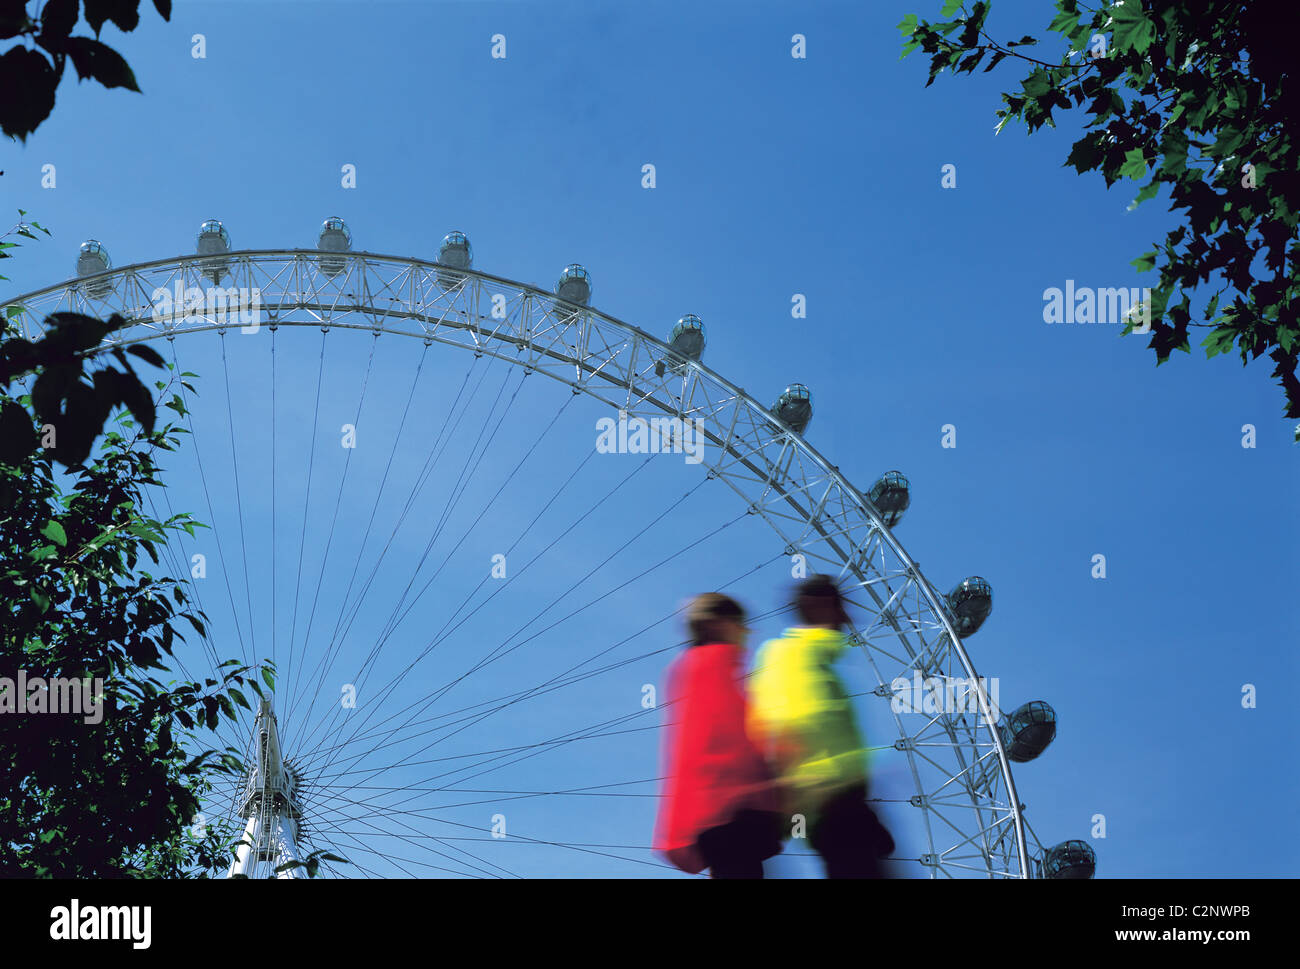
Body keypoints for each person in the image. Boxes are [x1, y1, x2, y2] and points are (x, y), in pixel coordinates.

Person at [747, 574, 894, 878]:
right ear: (819, 607)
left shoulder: (779, 655)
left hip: (823, 802)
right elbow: (804, 719)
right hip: (831, 794)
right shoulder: (798, 655)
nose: (848, 617)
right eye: (840, 607)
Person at [653, 593, 783, 878]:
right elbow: (734, 732)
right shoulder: (716, 665)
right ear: (718, 624)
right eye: (740, 625)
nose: (744, 634)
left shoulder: (684, 670)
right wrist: (773, 785)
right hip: (732, 806)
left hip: (706, 813)